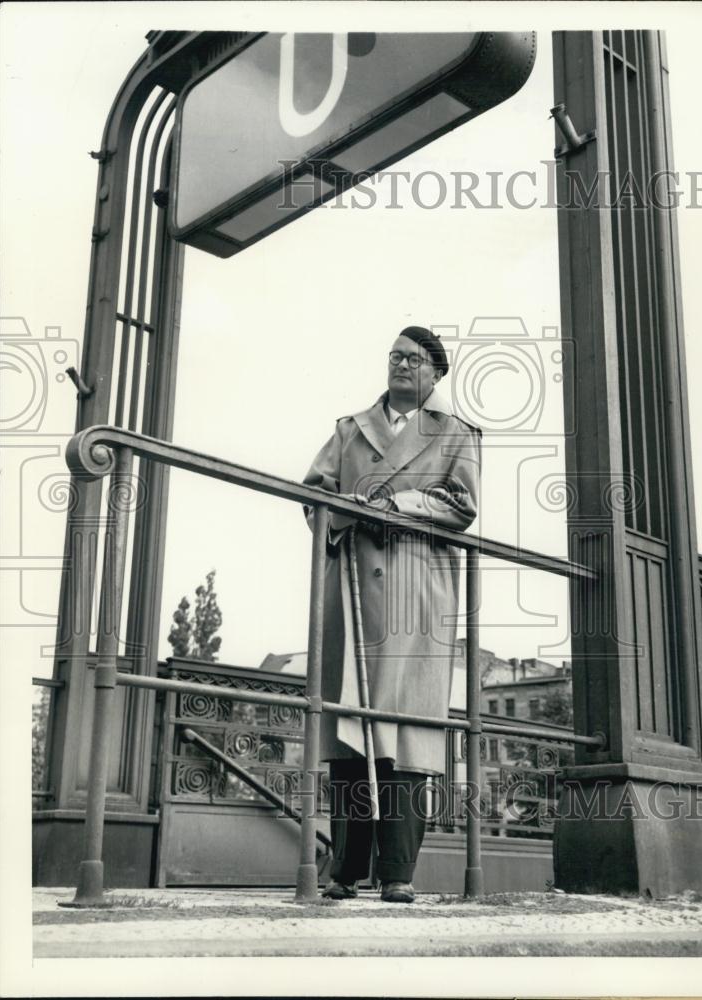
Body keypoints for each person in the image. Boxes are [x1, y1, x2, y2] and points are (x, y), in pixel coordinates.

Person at [303, 325, 481, 903]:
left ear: (435, 372)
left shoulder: (456, 433)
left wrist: (396, 504)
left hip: (414, 594)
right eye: (394, 357)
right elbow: (315, 496)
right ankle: (345, 871)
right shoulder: (348, 429)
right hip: (353, 588)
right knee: (350, 727)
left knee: (407, 733)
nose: (400, 366)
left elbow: (463, 506)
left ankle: (398, 873)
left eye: (413, 358)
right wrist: (344, 512)